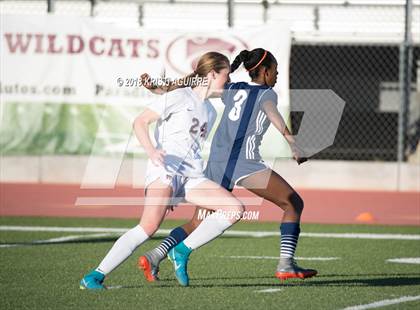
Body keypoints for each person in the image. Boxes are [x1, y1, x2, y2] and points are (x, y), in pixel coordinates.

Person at [139, 48, 317, 284]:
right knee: (292, 202)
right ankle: (286, 264)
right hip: (244, 163)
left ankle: (155, 255)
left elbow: (193, 86)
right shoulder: (267, 93)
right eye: (275, 71)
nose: (276, 76)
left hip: (217, 163)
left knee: (197, 221)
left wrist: (159, 89)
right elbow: (273, 114)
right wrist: (293, 143)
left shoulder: (233, 89)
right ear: (263, 71)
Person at [80, 51, 244, 290]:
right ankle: (94, 276)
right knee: (147, 227)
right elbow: (140, 122)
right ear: (211, 74)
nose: (228, 82)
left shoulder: (210, 110)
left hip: (191, 176)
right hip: (164, 170)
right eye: (226, 76)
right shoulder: (179, 96)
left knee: (235, 208)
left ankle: (182, 250)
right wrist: (152, 152)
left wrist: (177, 190)